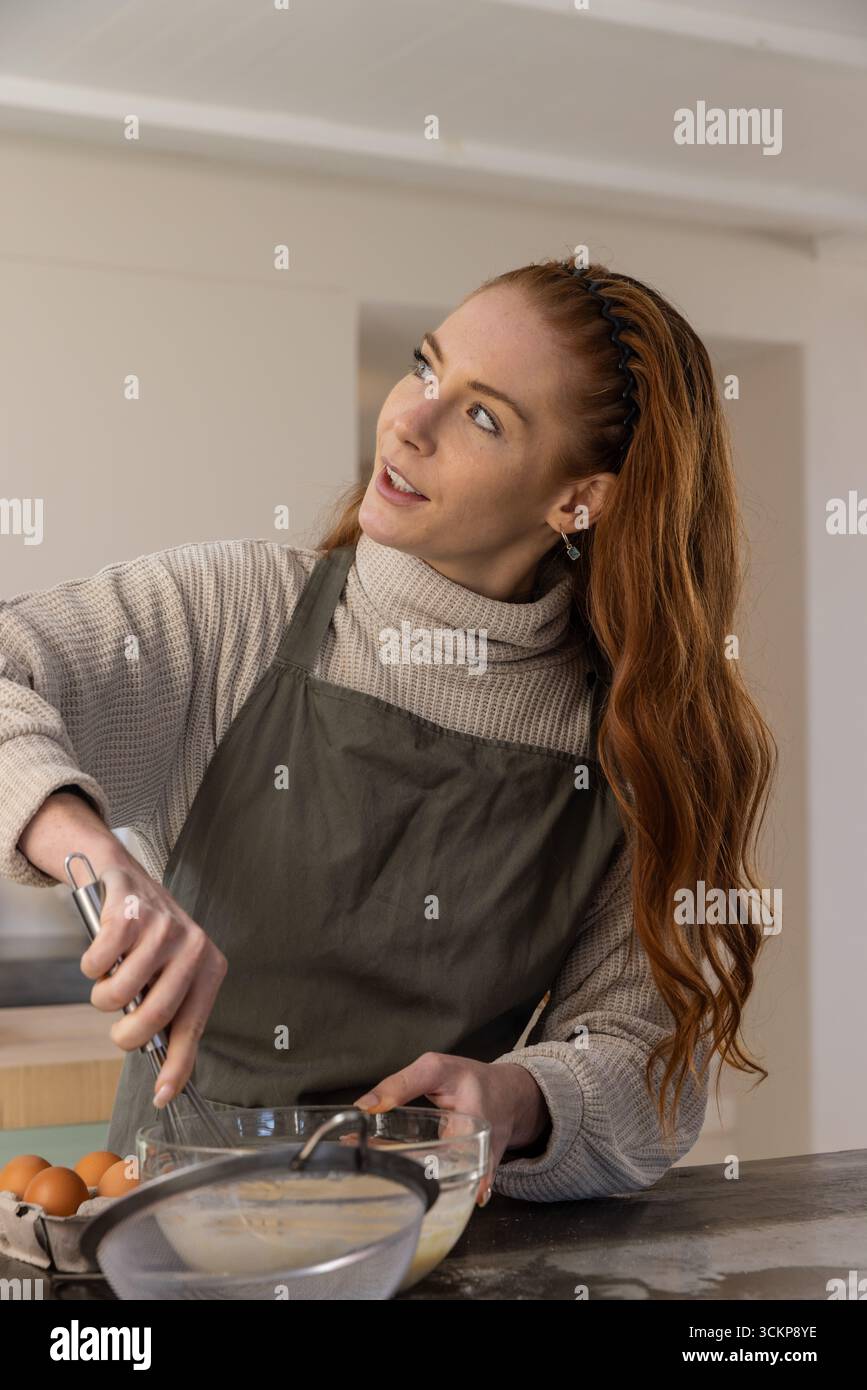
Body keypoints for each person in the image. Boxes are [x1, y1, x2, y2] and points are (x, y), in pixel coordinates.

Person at [0, 256, 775, 1204]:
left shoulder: (625, 742)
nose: (407, 419)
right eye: (424, 368)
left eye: (482, 417)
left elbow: (647, 1069)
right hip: (175, 1239)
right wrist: (93, 855)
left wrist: (517, 1097)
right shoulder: (235, 612)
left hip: (438, 1253)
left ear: (579, 499)